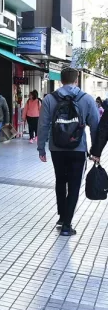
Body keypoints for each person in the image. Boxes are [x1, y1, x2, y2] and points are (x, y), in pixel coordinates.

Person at [37, 67, 100, 237]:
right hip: (78, 149)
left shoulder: (50, 99)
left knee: (60, 181)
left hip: (56, 148)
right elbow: (95, 126)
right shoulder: (86, 99)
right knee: (73, 185)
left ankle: (61, 216)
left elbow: (42, 125)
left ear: (61, 80)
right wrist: (96, 150)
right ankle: (67, 224)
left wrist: (41, 147)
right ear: (76, 80)